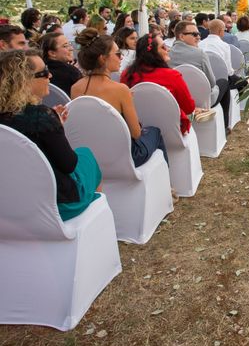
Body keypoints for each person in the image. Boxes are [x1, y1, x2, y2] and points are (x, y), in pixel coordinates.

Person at [0, 49, 101, 221]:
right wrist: (56, 126)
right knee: (86, 155)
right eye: (44, 73)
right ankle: (95, 217)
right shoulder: (40, 117)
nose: (50, 76)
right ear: (23, 81)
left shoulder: (34, 117)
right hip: (52, 206)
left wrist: (54, 124)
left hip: (7, 203)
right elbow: (68, 164)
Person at [71, 28, 167, 167]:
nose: (121, 57)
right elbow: (136, 134)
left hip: (93, 153)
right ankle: (166, 184)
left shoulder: (76, 88)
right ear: (103, 58)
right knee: (155, 131)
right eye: (117, 53)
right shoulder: (120, 89)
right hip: (123, 157)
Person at [121, 33, 196, 136]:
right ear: (153, 53)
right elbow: (189, 108)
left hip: (139, 129)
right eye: (163, 47)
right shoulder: (172, 76)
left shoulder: (127, 74)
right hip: (172, 132)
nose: (167, 49)